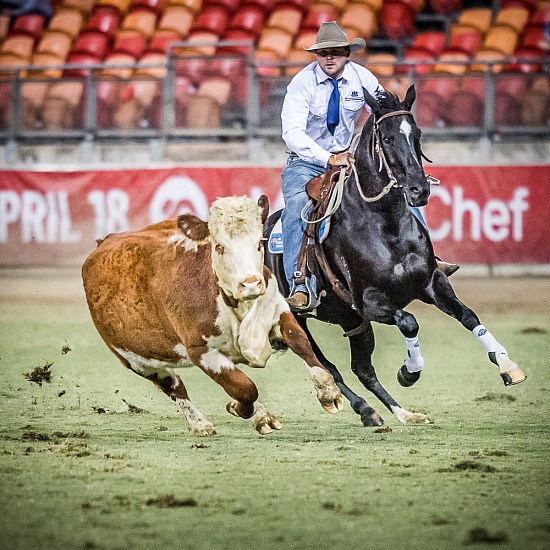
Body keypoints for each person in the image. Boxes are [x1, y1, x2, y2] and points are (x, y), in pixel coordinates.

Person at [280, 21, 458, 311]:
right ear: (316, 55)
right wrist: (327, 159)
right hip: (306, 163)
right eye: (323, 52)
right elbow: (292, 133)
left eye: (336, 52)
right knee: (296, 209)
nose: (329, 58)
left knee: (401, 191)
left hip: (347, 159)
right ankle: (300, 283)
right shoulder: (301, 84)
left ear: (347, 54)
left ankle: (430, 261)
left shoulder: (361, 78)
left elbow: (384, 109)